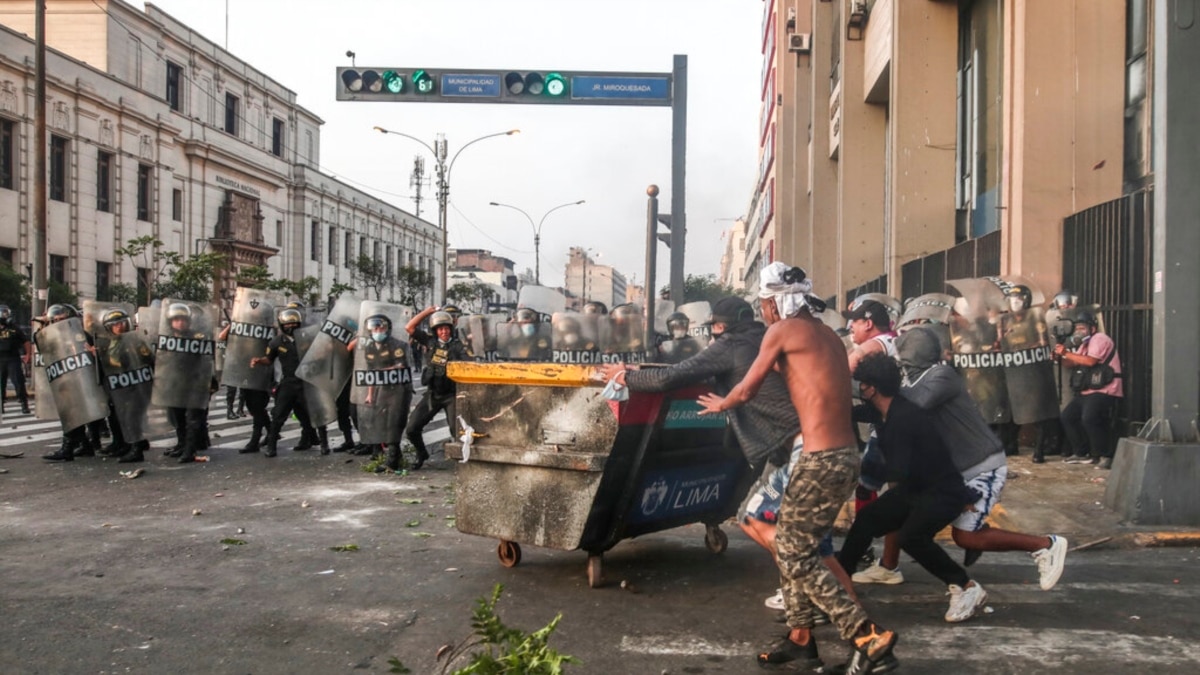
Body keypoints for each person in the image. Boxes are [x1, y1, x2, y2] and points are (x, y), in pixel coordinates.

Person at [697, 263, 897, 675]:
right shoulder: (827, 335)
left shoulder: (782, 331)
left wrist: (722, 402)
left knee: (792, 551)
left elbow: (748, 386)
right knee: (792, 542)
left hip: (819, 458)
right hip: (843, 456)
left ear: (774, 302)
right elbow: (795, 376)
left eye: (764, 304)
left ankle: (866, 635)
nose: (764, 312)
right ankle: (801, 639)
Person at [600, 296, 856, 613]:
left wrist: (625, 376)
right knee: (815, 543)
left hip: (794, 449)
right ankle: (823, 604)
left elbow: (672, 377)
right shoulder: (765, 337)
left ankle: (816, 593)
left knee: (759, 519)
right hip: (816, 445)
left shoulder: (731, 344)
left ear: (720, 326)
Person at [857, 326, 1068, 590]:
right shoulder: (913, 381)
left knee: (965, 537)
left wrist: (874, 387)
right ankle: (888, 567)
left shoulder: (941, 376)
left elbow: (911, 405)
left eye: (902, 354)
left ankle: (1046, 545)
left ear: (911, 356)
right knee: (902, 506)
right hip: (952, 471)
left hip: (980, 467)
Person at [841, 353, 989, 623]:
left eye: (861, 383)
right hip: (918, 488)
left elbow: (898, 472)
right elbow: (853, 411)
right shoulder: (886, 408)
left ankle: (967, 587)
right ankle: (839, 580)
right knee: (866, 520)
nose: (858, 388)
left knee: (911, 538)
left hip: (941, 492)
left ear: (871, 388)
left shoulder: (903, 419)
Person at [1055, 310, 1123, 469]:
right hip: (1088, 390)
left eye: (1083, 328)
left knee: (1089, 417)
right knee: (1067, 416)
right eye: (1077, 328)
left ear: (1092, 328)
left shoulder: (1099, 339)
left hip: (1105, 389)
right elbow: (1072, 363)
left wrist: (1066, 352)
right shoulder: (1084, 344)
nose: (1079, 331)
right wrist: (1060, 357)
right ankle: (1081, 452)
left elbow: (1091, 361)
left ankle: (1104, 455)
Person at [250, 308, 322, 457]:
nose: (291, 326)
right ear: (282, 325)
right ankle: (271, 447)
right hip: (288, 383)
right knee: (278, 416)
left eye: (294, 324)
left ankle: (321, 444)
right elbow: (269, 359)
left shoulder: (307, 339)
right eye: (287, 324)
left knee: (312, 415)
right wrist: (258, 360)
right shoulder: (276, 342)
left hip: (305, 382)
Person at [404, 307, 470, 470]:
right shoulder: (430, 342)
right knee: (412, 428)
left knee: (458, 432)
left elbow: (469, 364)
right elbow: (409, 328)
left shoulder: (458, 346)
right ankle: (421, 453)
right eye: (440, 329)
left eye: (447, 328)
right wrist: (428, 311)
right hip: (433, 393)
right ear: (435, 331)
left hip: (452, 395)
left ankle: (464, 463)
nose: (444, 332)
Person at [0, 305, 32, 415]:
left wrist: (28, 354)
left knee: (18, 381)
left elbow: (25, 341)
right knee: (1, 383)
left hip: (12, 357)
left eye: (5, 314)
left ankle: (24, 403)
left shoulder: (14, 328)